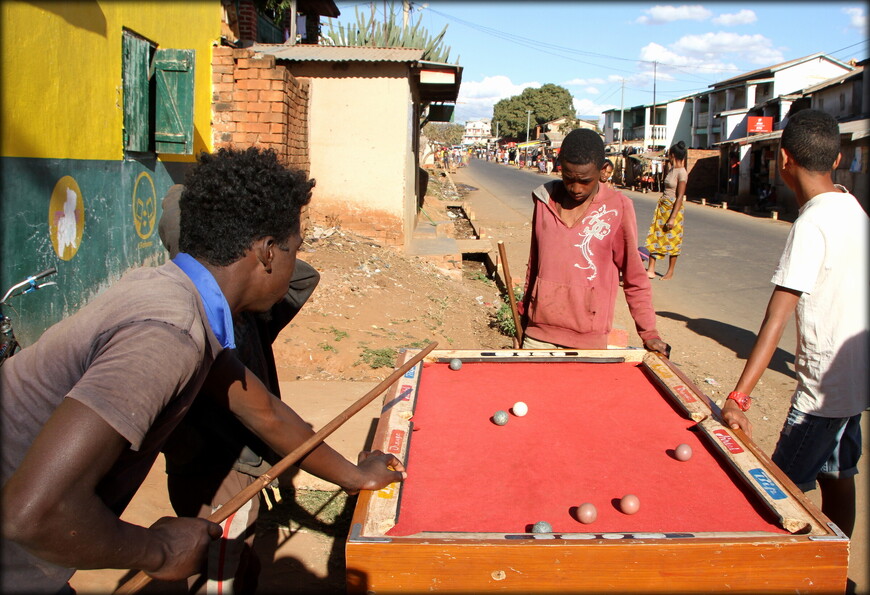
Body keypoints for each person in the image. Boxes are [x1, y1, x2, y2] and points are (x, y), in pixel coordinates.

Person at [0, 147, 405, 594]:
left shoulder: (178, 300)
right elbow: (32, 513)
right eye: (295, 249)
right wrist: (159, 550)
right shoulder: (168, 332)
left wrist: (354, 475)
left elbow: (264, 411)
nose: (295, 266)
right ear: (268, 252)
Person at [157, 184, 319, 594]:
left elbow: (302, 277)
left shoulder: (247, 308)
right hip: (217, 471)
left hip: (237, 463)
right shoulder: (195, 322)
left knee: (240, 562)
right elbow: (264, 414)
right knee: (220, 569)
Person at [721, 109, 869, 537]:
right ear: (837, 160)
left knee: (774, 497)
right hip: (853, 388)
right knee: (838, 476)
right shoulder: (854, 209)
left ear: (784, 159)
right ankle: (836, 567)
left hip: (820, 397)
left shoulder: (811, 223)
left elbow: (776, 316)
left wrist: (739, 397)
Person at [519, 128, 669, 356]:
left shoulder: (617, 208)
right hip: (538, 337)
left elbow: (634, 276)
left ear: (602, 171)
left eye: (585, 181)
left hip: (588, 341)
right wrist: (523, 314)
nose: (576, 188)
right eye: (568, 179)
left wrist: (649, 333)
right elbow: (535, 263)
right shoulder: (543, 201)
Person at [645, 141, 688, 280]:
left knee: (673, 240)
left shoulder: (682, 173)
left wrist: (672, 217)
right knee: (655, 236)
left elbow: (680, 195)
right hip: (662, 207)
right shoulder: (671, 169)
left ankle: (670, 271)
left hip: (673, 209)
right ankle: (651, 268)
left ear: (673, 155)